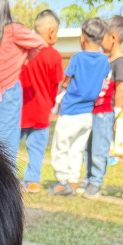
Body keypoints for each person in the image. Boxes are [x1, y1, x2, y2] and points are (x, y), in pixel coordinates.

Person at [49, 17, 109, 196]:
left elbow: (65, 80)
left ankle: (62, 181)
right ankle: (73, 181)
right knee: (77, 148)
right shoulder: (104, 61)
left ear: (82, 37)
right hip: (88, 113)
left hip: (70, 111)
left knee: (61, 146)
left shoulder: (77, 58)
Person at [0, 0, 43, 165]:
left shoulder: (14, 30)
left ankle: (4, 176)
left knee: (5, 139)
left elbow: (39, 43)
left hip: (7, 91)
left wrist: (24, 57)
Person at [79, 14, 123, 198]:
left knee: (100, 148)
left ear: (113, 37)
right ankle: (88, 176)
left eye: (104, 37)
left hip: (106, 113)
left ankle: (96, 181)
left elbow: (120, 88)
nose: (100, 41)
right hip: (93, 110)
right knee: (88, 146)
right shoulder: (104, 60)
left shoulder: (120, 62)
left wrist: (116, 112)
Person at [19, 8, 62, 193]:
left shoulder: (24, 52)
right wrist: (51, 105)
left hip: (20, 110)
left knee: (10, 145)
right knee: (36, 148)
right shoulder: (54, 55)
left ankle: (5, 177)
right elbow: (55, 85)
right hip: (42, 110)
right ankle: (32, 181)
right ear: (51, 32)